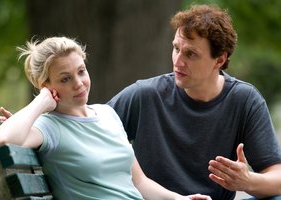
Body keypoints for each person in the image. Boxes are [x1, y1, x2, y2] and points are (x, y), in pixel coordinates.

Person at [0, 36, 211, 200]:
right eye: (65, 79)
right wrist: (41, 103)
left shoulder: (107, 114)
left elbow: (139, 182)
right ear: (46, 87)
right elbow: (4, 139)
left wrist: (179, 199)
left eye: (81, 71)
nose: (78, 83)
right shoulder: (49, 127)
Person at [107, 4, 281, 200]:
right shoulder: (144, 94)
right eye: (176, 48)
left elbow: (278, 177)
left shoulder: (245, 100)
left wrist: (247, 181)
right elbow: (90, 127)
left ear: (219, 60)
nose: (178, 61)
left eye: (191, 54)